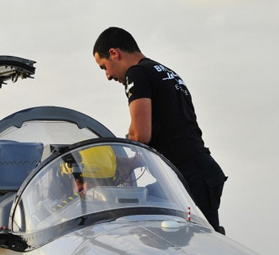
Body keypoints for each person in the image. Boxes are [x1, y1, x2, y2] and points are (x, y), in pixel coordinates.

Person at [93, 27, 227, 234]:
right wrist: (133, 164)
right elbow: (168, 131)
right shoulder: (166, 72)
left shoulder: (136, 73)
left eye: (104, 67)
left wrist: (116, 158)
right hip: (199, 171)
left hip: (189, 177)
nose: (108, 76)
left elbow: (141, 135)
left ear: (114, 53)